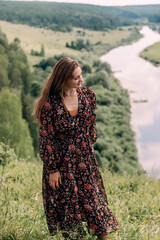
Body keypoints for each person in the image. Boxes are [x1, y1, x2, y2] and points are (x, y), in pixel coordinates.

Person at [34, 57, 120, 240]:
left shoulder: (88, 95)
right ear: (63, 79)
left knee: (94, 205)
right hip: (62, 165)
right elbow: (46, 139)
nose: (81, 80)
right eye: (76, 78)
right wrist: (53, 170)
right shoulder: (50, 104)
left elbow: (91, 127)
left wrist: (86, 147)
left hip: (85, 160)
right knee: (69, 212)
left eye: (81, 75)